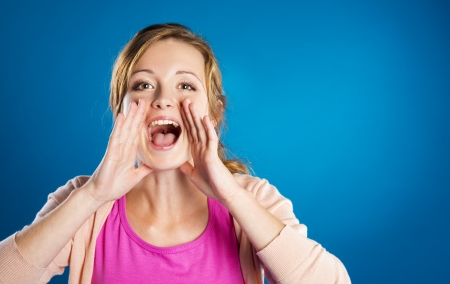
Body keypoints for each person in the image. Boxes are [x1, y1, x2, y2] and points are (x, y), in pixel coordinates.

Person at [0, 23, 351, 284]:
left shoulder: (253, 199)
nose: (163, 99)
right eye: (143, 85)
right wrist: (92, 195)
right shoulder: (84, 203)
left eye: (185, 85)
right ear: (120, 111)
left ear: (214, 113)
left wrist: (230, 194)